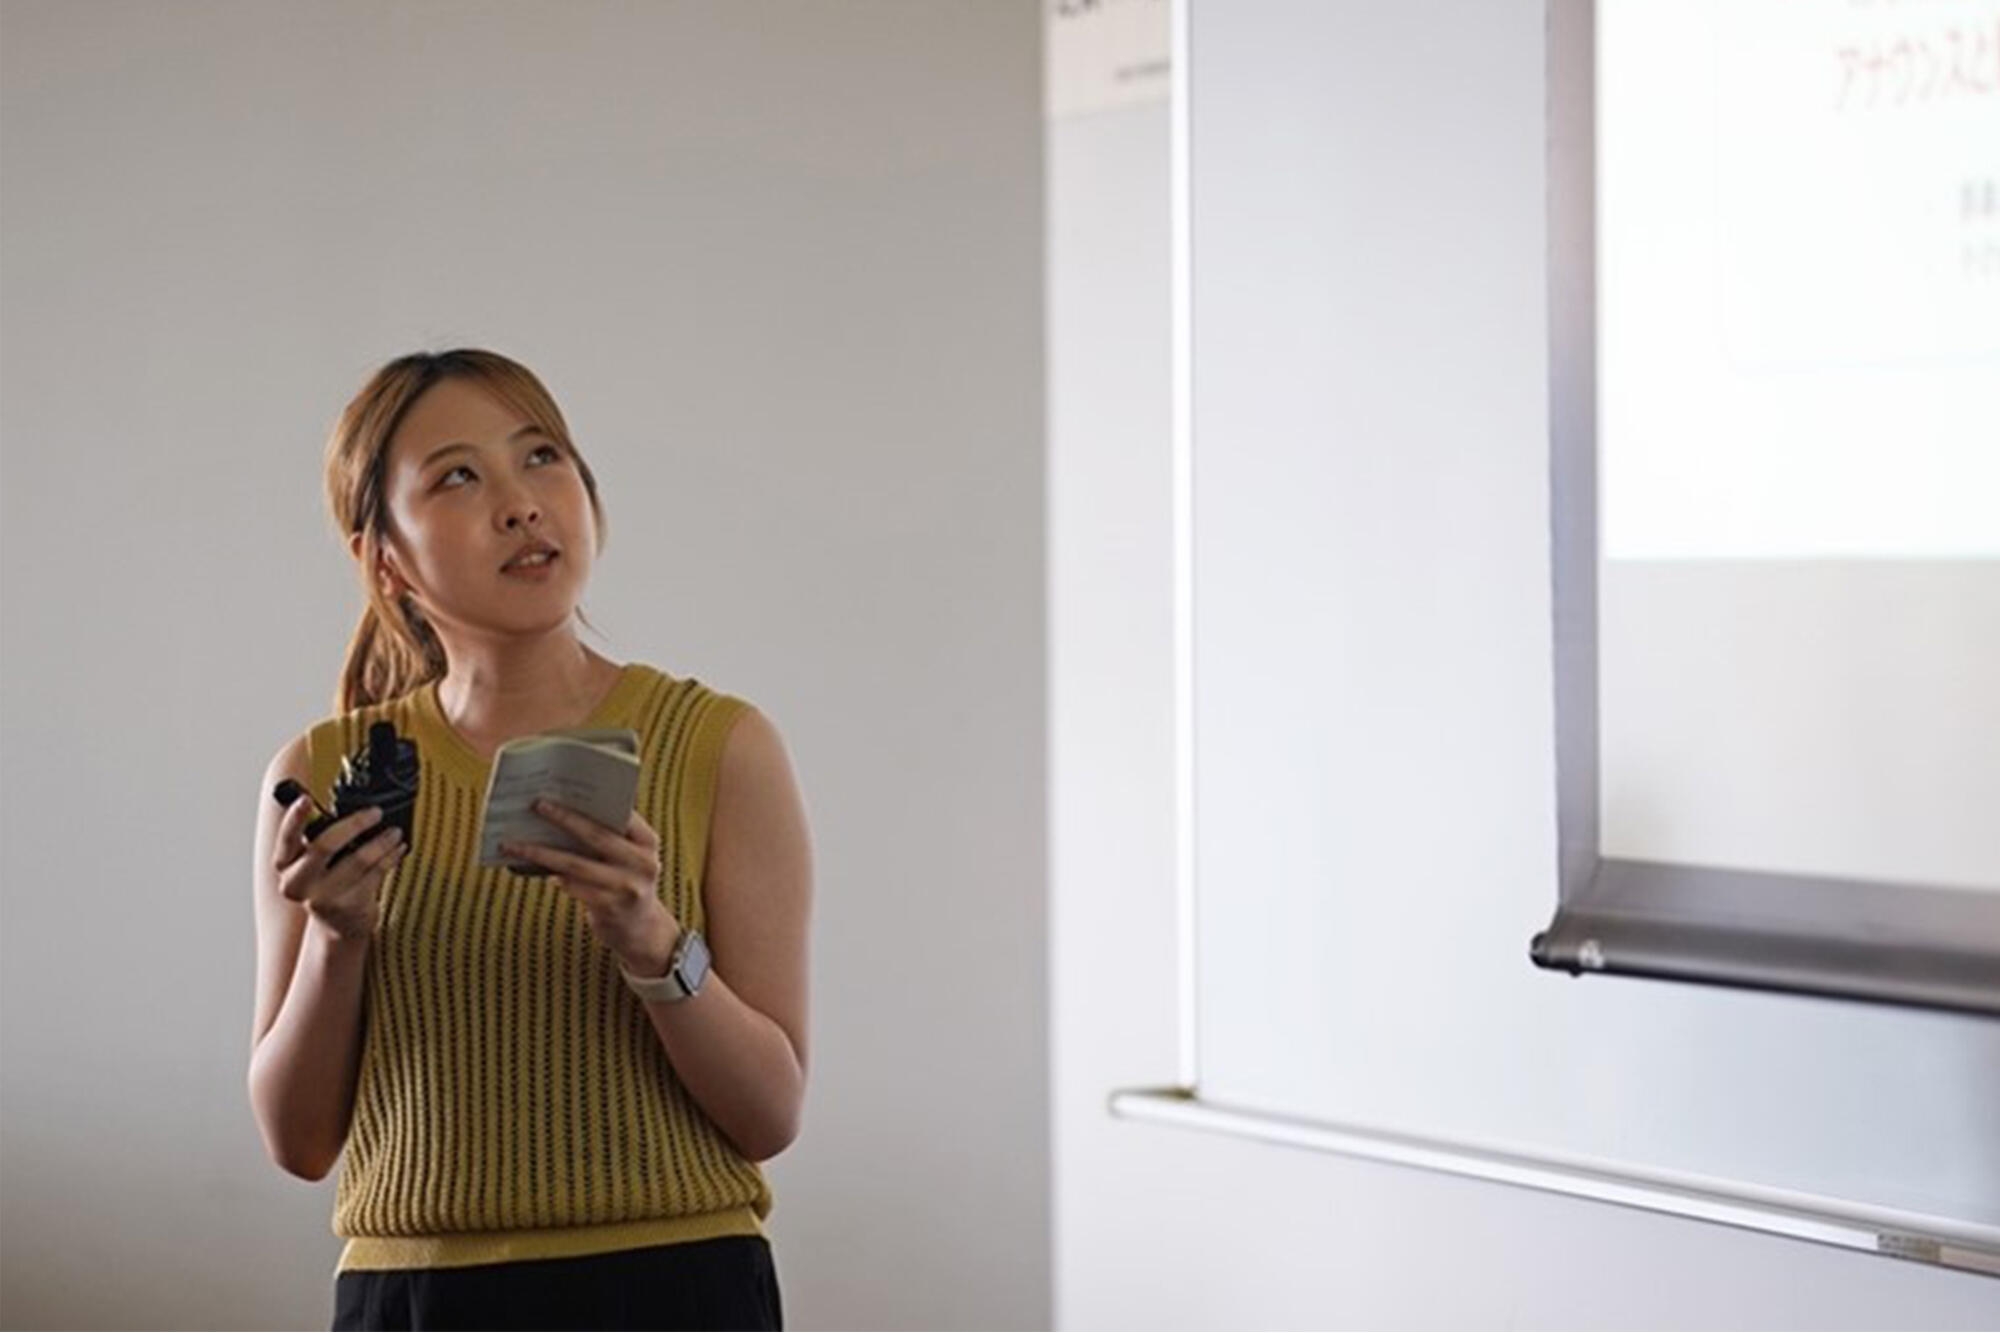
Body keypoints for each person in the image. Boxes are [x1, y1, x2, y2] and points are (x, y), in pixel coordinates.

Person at [248, 348, 812, 1331]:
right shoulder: (322, 770)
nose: (519, 504)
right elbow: (297, 1142)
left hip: (675, 1285)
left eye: (541, 456)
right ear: (384, 557)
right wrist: (336, 938)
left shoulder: (721, 746)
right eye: (457, 477)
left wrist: (650, 940)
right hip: (415, 1296)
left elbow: (771, 1115)